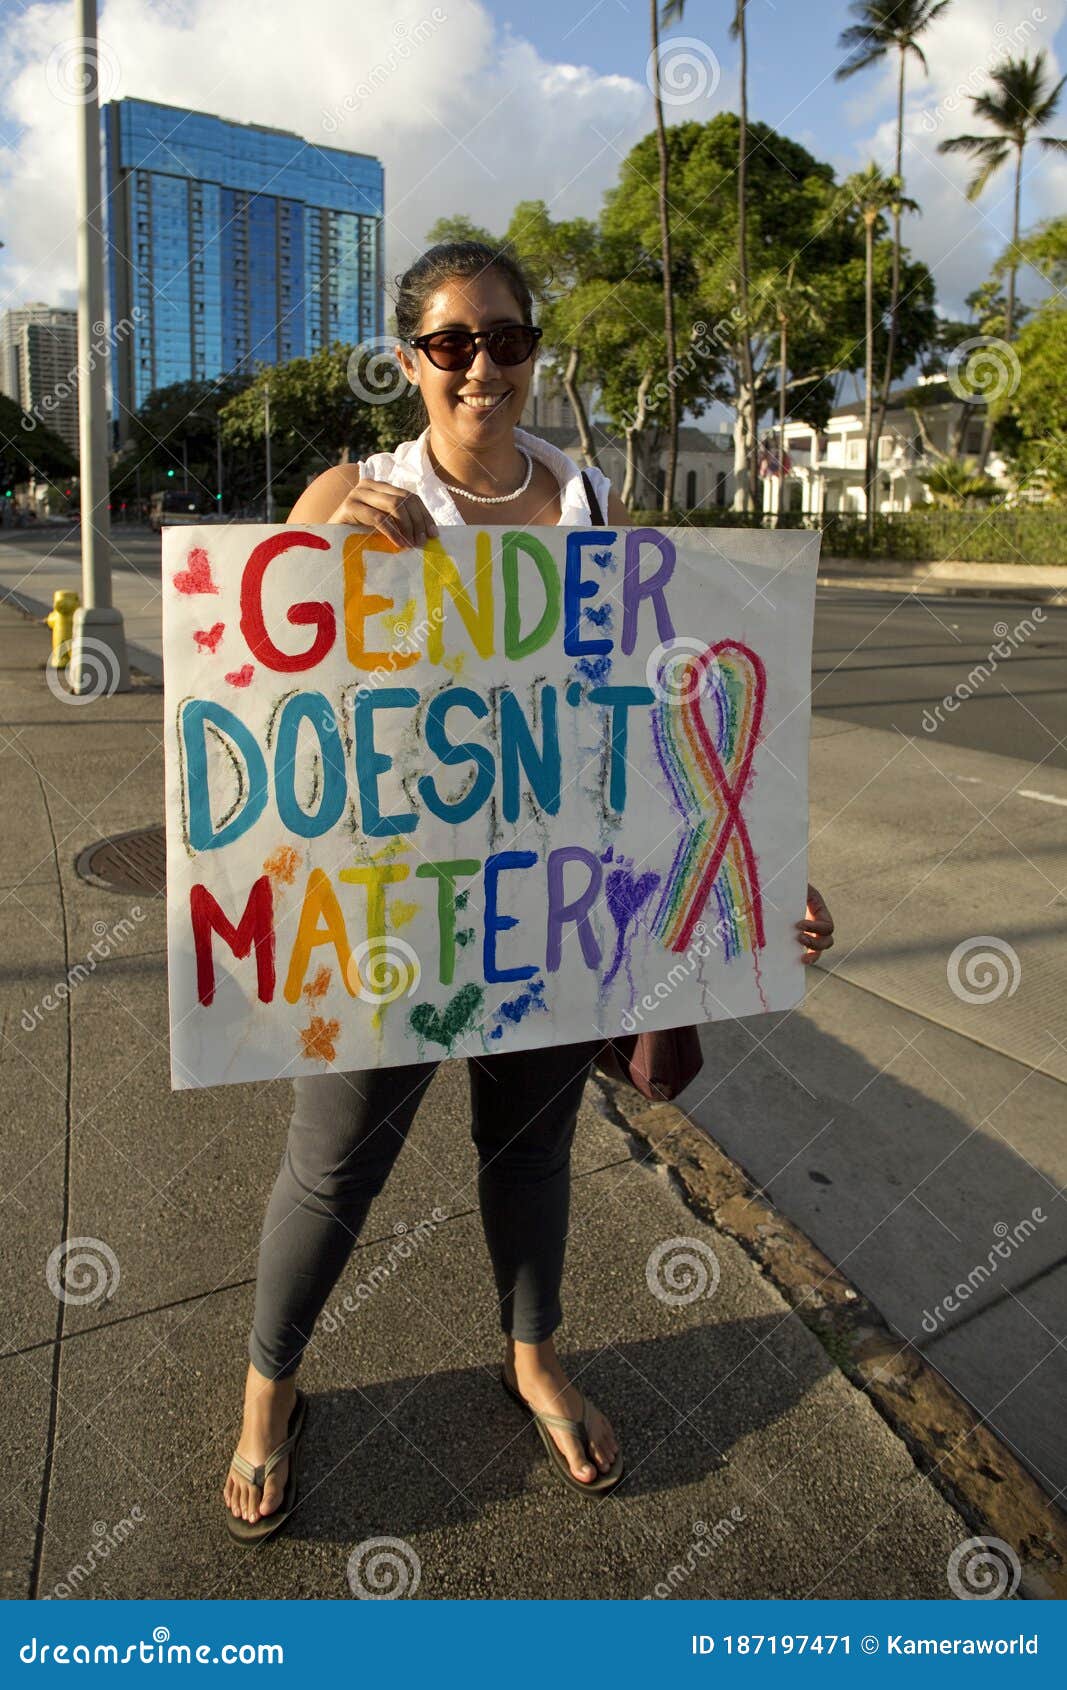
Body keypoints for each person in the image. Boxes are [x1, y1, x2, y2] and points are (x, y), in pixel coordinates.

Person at [222, 241, 836, 1539]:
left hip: (552, 907)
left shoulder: (592, 509)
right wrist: (324, 558)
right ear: (410, 362)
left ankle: (533, 1352)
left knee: (533, 1150)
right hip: (390, 914)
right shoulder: (357, 489)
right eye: (452, 343)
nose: (482, 367)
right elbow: (249, 683)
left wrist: (757, 863)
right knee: (333, 1172)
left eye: (505, 339)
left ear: (533, 352)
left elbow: (659, 708)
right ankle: (268, 1393)